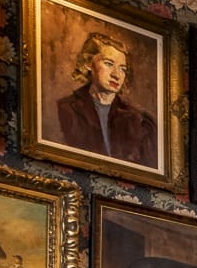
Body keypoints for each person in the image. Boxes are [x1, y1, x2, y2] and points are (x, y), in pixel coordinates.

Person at [55, 31, 157, 168]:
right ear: (88, 64)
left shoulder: (139, 120)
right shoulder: (66, 109)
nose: (116, 75)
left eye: (122, 69)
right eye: (109, 64)